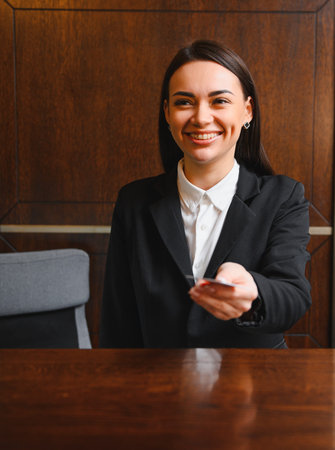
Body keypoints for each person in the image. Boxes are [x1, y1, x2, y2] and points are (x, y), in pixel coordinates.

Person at [100, 40, 311, 348]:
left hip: (254, 385)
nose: (201, 118)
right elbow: (118, 318)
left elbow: (293, 296)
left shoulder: (283, 196)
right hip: (156, 385)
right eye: (184, 102)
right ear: (167, 113)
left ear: (247, 111)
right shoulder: (134, 201)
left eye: (219, 101)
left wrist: (254, 292)